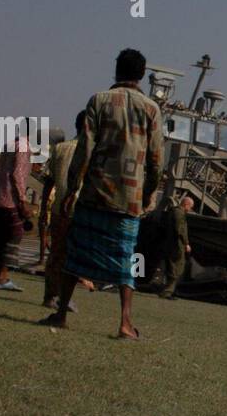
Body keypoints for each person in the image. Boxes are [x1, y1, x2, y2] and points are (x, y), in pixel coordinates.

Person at [42, 47, 163, 338]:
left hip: (94, 193)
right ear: (142, 75)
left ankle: (60, 315)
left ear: (116, 70)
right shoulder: (151, 109)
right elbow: (157, 159)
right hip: (129, 199)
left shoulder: (98, 101)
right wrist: (148, 193)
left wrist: (73, 187)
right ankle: (124, 323)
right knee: (125, 260)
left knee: (76, 253)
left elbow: (85, 148)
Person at [42, 113, 87, 309]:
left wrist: (44, 209)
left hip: (59, 208)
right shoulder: (92, 153)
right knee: (74, 257)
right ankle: (63, 297)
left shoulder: (60, 148)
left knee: (56, 255)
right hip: (80, 211)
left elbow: (48, 181)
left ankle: (51, 295)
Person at [0, 135, 33, 290]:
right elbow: (17, 175)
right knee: (14, 235)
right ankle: (2, 277)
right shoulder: (24, 146)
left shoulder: (9, 144)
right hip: (11, 201)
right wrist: (23, 200)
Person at [160, 195, 193, 299]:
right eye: (190, 207)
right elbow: (180, 229)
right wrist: (186, 243)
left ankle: (168, 290)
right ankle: (167, 292)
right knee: (176, 268)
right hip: (176, 245)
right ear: (186, 204)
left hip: (171, 243)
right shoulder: (179, 213)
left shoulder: (173, 211)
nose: (190, 209)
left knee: (173, 267)